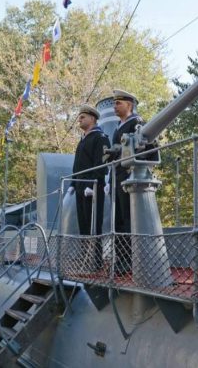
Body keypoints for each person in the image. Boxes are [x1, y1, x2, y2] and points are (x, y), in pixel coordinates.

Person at [109, 90, 158, 275]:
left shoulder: (137, 124)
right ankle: (121, 258)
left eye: (118, 103)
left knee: (129, 218)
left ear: (129, 105)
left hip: (130, 175)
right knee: (118, 220)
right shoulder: (118, 127)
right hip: (117, 176)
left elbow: (149, 147)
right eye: (114, 103)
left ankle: (131, 259)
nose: (114, 107)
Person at [69, 104, 110, 238]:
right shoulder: (82, 140)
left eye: (82, 117)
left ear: (92, 119)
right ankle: (85, 251)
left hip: (93, 187)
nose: (79, 120)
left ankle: (95, 252)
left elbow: (101, 165)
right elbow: (77, 165)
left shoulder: (100, 137)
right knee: (83, 226)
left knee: (93, 226)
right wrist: (73, 183)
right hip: (80, 186)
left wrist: (93, 185)